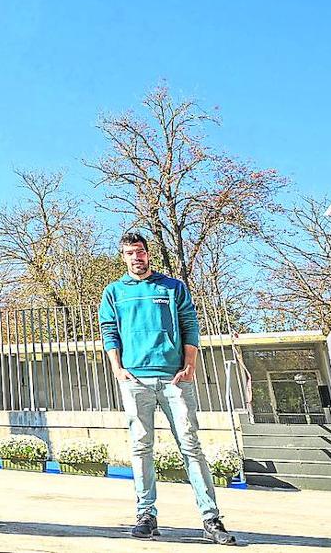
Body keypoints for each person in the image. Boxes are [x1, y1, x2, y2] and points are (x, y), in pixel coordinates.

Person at [99, 231, 237, 545]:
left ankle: (211, 519)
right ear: (123, 257)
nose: (137, 257)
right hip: (135, 381)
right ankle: (146, 514)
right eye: (131, 253)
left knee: (190, 447)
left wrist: (189, 365)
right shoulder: (114, 292)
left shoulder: (173, 287)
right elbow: (109, 331)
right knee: (141, 447)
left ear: (149, 254)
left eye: (141, 251)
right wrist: (117, 368)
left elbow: (190, 324)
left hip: (174, 380)